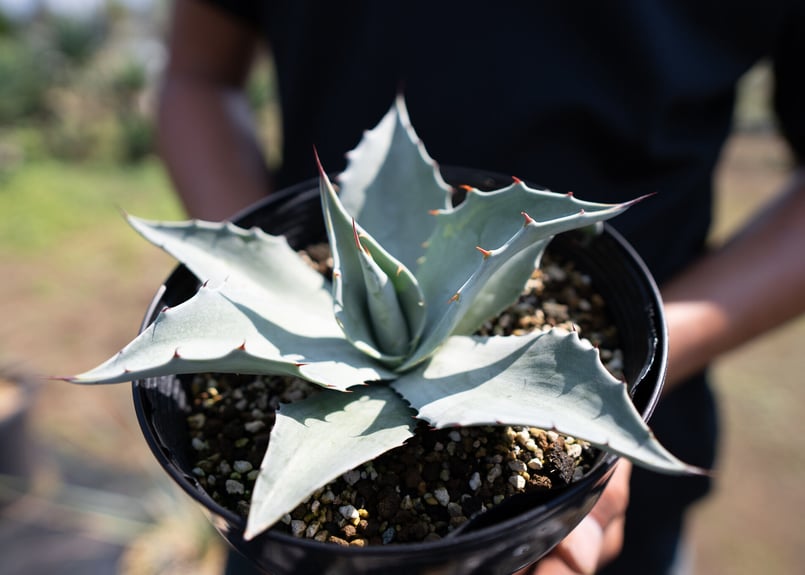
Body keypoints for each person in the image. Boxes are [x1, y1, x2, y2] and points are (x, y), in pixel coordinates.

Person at [156, 1, 805, 573]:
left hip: (629, 495)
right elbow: (199, 76)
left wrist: (652, 355)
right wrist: (268, 274)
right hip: (289, 532)